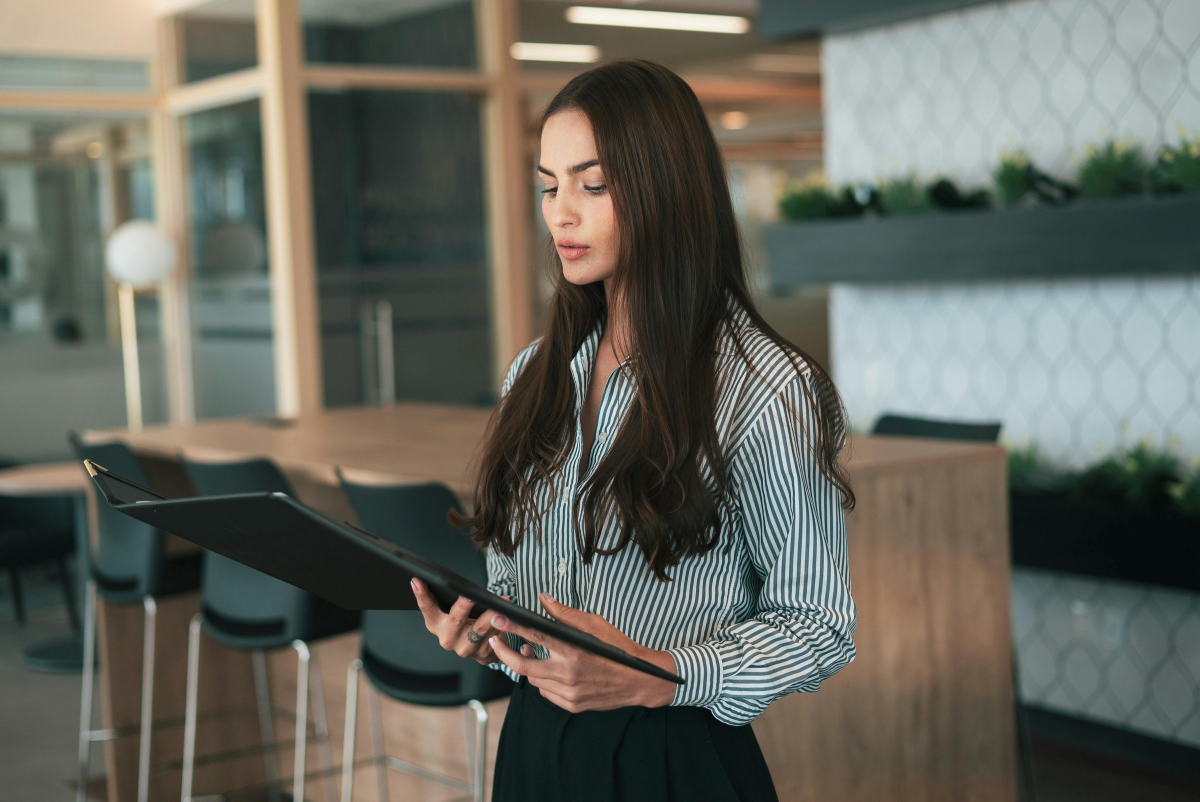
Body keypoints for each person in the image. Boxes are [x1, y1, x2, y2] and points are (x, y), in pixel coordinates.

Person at [411, 59, 857, 802]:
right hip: (531, 748)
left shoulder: (766, 387)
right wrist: (488, 637)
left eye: (592, 184)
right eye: (549, 185)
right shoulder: (534, 375)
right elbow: (521, 596)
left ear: (666, 188)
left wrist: (662, 673)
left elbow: (817, 625)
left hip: (672, 759)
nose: (560, 213)